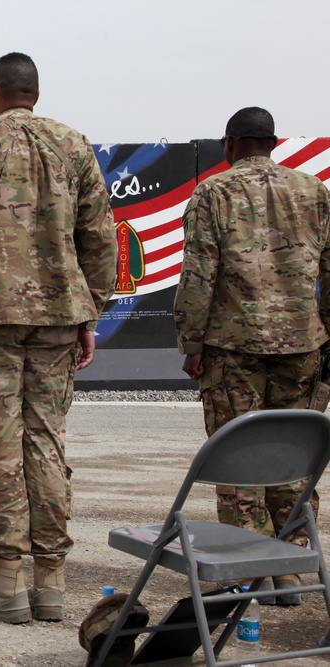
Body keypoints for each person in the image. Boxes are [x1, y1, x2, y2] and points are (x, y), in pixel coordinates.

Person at [0, 52, 117, 625]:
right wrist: (90, 316)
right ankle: (50, 583)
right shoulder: (75, 144)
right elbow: (100, 237)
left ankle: (6, 581)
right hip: (59, 318)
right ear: (34, 92)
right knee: (46, 442)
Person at [173, 106, 330, 606]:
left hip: (232, 348)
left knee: (239, 460)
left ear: (229, 145)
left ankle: (247, 568)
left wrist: (192, 344)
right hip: (303, 344)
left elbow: (199, 276)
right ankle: (290, 566)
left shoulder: (213, 194)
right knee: (291, 455)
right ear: (275, 142)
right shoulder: (313, 192)